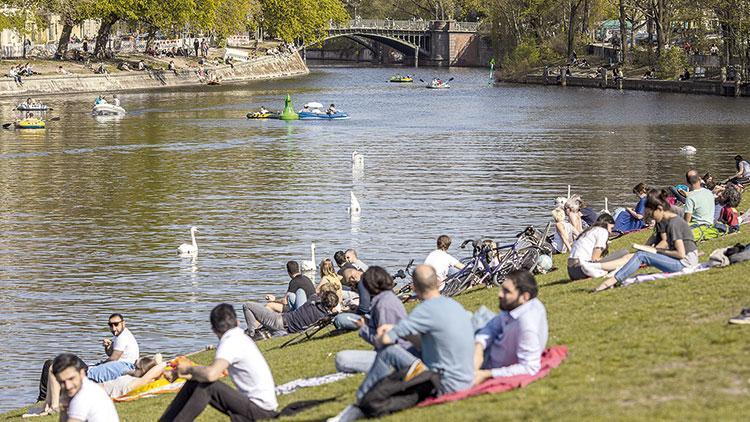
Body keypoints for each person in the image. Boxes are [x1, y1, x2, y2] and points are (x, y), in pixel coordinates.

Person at [331, 265, 474, 421]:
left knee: (388, 352)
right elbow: (424, 342)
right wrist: (397, 329)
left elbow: (384, 340)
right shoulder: (454, 305)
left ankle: (359, 404)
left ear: (414, 286)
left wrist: (373, 330)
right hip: (465, 379)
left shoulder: (424, 311)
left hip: (442, 382)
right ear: (437, 282)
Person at [160, 303, 278, 421]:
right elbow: (208, 371)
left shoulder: (230, 340)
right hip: (259, 407)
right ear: (237, 322)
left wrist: (187, 369)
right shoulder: (238, 336)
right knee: (195, 381)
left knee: (207, 387)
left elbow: (211, 374)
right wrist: (179, 372)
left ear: (214, 330)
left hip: (261, 411)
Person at [596, 189, 699, 291]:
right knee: (641, 254)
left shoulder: (673, 223)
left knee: (641, 255)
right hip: (687, 260)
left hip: (685, 263)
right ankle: (611, 276)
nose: (651, 218)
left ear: (659, 208)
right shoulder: (672, 220)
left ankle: (610, 281)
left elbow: (680, 254)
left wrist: (655, 251)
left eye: (651, 214)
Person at [473, 270, 548, 384]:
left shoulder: (527, 325)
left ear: (524, 297)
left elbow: (530, 368)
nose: (500, 294)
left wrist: (486, 374)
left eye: (506, 291)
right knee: (476, 318)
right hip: (487, 350)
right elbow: (493, 326)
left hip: (492, 362)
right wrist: (479, 347)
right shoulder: (520, 306)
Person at [335, 267, 411, 374]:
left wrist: (363, 328)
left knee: (341, 358)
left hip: (393, 357)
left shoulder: (381, 305)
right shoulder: (389, 298)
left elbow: (382, 341)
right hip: (401, 351)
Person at [244, 290, 339, 339]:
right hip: (287, 332)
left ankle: (251, 333)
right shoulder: (324, 317)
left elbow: (316, 293)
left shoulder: (312, 300)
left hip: (279, 321)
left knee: (247, 306)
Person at [53, 353, 119, 421]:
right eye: (62, 382)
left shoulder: (83, 396)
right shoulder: (88, 386)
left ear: (82, 373)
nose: (68, 386)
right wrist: (64, 409)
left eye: (71, 378)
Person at [567, 214, 632, 280]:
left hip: (572, 271)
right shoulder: (602, 231)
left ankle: (608, 271)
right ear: (607, 223)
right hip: (583, 268)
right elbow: (595, 258)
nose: (611, 232)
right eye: (611, 228)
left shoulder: (589, 231)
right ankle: (610, 273)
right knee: (625, 255)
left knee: (623, 253)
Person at [83, 313, 139, 383]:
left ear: (123, 323)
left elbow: (114, 358)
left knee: (89, 373)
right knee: (90, 367)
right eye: (110, 325)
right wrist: (107, 347)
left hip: (125, 366)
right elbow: (110, 354)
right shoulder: (118, 335)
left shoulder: (122, 337)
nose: (113, 328)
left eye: (116, 324)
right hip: (119, 364)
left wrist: (101, 365)